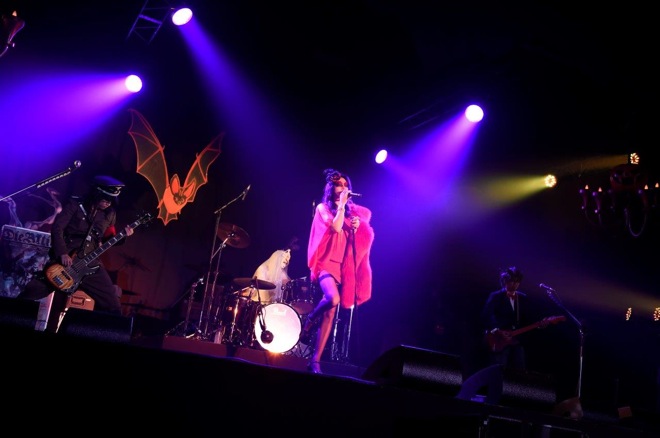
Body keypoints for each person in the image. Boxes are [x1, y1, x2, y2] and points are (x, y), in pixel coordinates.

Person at [17, 175, 135, 324]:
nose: (108, 203)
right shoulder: (75, 205)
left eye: (111, 200)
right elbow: (58, 228)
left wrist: (123, 236)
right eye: (105, 198)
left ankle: (101, 332)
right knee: (32, 292)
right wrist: (62, 253)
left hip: (91, 264)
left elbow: (108, 237)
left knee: (113, 305)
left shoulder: (110, 214)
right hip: (67, 260)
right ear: (96, 194)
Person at [303, 168, 375, 374]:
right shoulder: (323, 209)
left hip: (342, 266)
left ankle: (315, 361)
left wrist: (357, 225)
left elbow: (355, 239)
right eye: (338, 184)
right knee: (332, 299)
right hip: (325, 262)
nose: (342, 188)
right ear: (331, 188)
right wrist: (342, 205)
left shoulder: (351, 213)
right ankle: (310, 318)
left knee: (331, 314)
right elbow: (335, 228)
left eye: (345, 185)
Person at [480, 266, 550, 371]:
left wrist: (540, 325)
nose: (515, 284)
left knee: (520, 371)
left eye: (517, 281)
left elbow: (528, 319)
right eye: (512, 281)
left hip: (517, 340)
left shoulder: (523, 298)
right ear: (505, 281)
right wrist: (497, 330)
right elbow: (486, 316)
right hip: (499, 340)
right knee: (499, 370)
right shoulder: (495, 296)